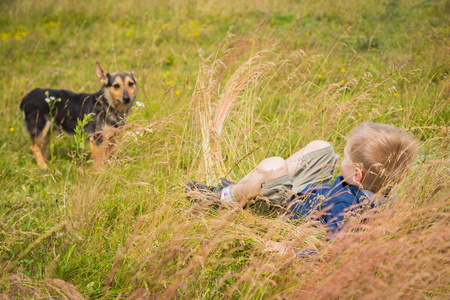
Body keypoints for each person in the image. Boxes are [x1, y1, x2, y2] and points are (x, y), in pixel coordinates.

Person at [187, 122, 419, 243]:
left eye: (346, 158)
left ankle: (221, 198)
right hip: (310, 196)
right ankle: (252, 185)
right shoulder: (380, 193)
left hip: (281, 211)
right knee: (321, 148)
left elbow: (336, 250)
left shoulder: (345, 207)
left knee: (272, 165)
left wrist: (290, 251)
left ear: (357, 175)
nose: (343, 158)